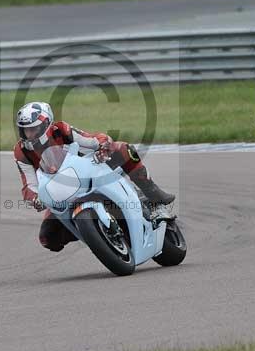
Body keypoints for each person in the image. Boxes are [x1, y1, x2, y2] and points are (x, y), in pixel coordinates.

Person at [14, 101, 175, 252]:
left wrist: (103, 146)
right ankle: (93, 233)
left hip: (89, 170)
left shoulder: (61, 130)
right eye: (25, 130)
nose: (29, 134)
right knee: (47, 238)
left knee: (124, 149)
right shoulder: (21, 152)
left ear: (46, 125)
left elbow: (91, 139)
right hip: (60, 192)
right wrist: (35, 198)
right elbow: (28, 184)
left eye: (33, 129)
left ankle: (154, 196)